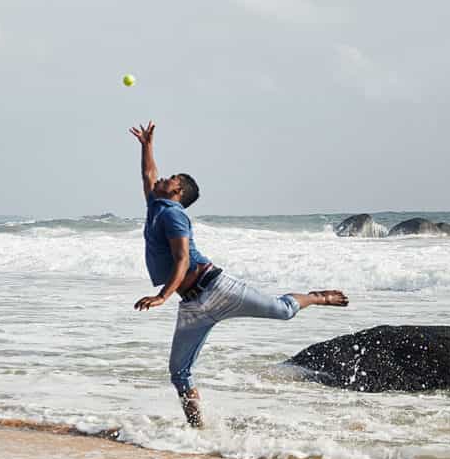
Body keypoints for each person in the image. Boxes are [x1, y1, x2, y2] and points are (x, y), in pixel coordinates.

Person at [129, 122, 349, 427]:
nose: (163, 178)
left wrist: (162, 296)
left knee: (283, 311)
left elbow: (181, 260)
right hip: (194, 306)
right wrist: (147, 145)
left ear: (178, 192)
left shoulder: (174, 215)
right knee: (179, 373)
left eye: (171, 179)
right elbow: (149, 175)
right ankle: (199, 434)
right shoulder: (157, 205)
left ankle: (317, 296)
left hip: (218, 288)